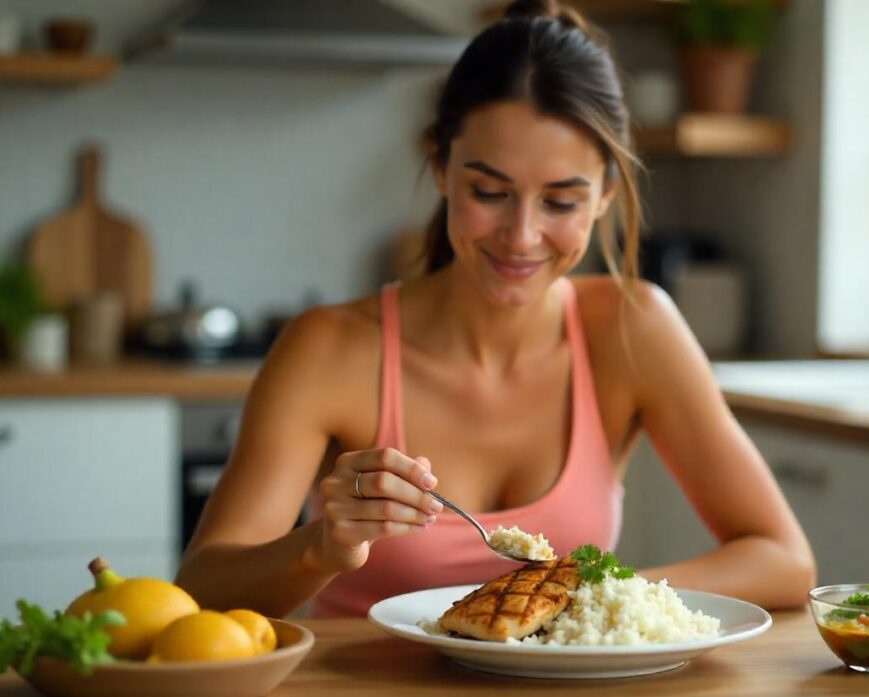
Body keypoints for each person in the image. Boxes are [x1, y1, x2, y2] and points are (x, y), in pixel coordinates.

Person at [175, 0, 815, 618]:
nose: (521, 235)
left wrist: (588, 595)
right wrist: (321, 549)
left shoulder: (631, 328)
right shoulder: (330, 347)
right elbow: (202, 592)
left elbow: (784, 560)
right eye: (489, 191)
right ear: (440, 168)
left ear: (605, 196)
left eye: (561, 202)